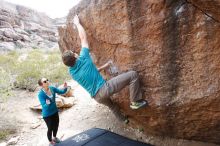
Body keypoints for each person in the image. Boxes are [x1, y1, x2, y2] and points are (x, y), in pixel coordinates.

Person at [62, 15, 147, 123]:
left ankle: (123, 120)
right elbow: (83, 38)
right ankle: (135, 101)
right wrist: (77, 24)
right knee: (133, 75)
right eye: (74, 53)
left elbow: (90, 73)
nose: (76, 53)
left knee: (112, 106)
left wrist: (103, 67)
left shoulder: (72, 73)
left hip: (97, 97)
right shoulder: (84, 58)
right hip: (104, 88)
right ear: (75, 57)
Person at [37, 78, 68, 146]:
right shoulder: (40, 94)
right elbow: (43, 105)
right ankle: (50, 142)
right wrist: (47, 104)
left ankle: (54, 137)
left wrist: (65, 88)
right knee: (50, 128)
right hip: (47, 115)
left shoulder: (52, 88)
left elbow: (61, 92)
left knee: (56, 125)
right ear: (41, 85)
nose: (47, 81)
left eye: (47, 80)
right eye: (45, 81)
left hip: (55, 111)